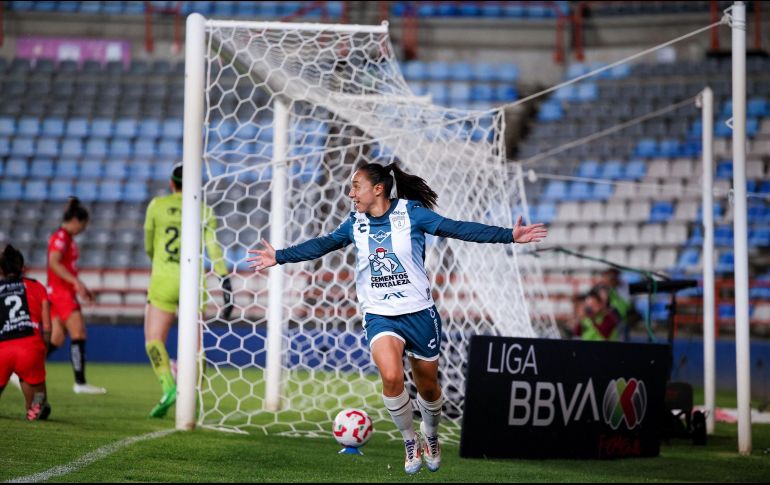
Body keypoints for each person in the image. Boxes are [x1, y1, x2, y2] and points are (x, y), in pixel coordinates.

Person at [247, 162, 547, 474]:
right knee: (391, 376)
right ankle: (409, 440)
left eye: (356, 186)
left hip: (419, 313)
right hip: (380, 315)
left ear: (378, 189)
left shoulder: (412, 214)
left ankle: (431, 434)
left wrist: (509, 235)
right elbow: (321, 244)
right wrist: (279, 256)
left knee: (428, 388)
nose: (351, 194)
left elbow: (456, 228)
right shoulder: (354, 224)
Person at [143, 163, 233, 418]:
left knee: (154, 339)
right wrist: (225, 282)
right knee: (196, 346)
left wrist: (161, 262)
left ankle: (168, 386)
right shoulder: (203, 210)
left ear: (171, 184)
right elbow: (213, 249)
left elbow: (149, 246)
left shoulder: (157, 206)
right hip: (194, 282)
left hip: (163, 279)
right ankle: (191, 393)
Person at [47, 197, 106, 394]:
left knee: (56, 339)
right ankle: (80, 383)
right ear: (76, 221)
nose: (84, 229)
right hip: (61, 293)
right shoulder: (61, 238)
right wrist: (75, 283)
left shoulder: (66, 239)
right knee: (78, 332)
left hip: (59, 292)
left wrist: (80, 285)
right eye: (83, 224)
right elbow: (54, 262)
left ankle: (21, 369)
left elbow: (65, 267)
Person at [0, 245, 52, 420]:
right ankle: (36, 406)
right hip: (29, 347)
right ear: (23, 268)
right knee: (37, 406)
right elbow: (47, 327)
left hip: (2, 349)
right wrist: (43, 350)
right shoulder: (37, 287)